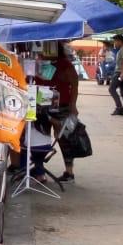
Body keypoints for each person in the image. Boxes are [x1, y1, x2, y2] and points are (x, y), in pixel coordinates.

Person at [37, 43, 81, 182]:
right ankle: (39, 170)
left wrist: (73, 105)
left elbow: (74, 85)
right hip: (41, 105)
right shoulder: (38, 62)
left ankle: (69, 172)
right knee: (40, 137)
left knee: (64, 139)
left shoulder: (65, 64)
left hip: (61, 106)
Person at [109, 34, 123, 116]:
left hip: (120, 73)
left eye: (115, 41)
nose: (114, 43)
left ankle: (119, 107)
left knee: (111, 89)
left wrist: (122, 72)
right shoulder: (122, 49)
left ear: (119, 41)